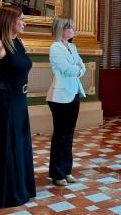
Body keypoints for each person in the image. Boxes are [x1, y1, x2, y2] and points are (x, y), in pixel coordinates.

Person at [0, 5, 36, 210]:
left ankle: (19, 187)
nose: (24, 22)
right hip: (3, 103)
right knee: (5, 147)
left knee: (18, 145)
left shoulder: (17, 42)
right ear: (10, 21)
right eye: (21, 19)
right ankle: (3, 194)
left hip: (19, 101)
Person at [46, 17, 86, 186]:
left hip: (74, 93)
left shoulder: (72, 47)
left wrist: (77, 68)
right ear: (61, 30)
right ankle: (57, 173)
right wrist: (77, 68)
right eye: (70, 28)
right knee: (60, 136)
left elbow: (82, 68)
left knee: (69, 136)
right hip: (60, 97)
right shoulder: (55, 48)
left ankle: (67, 170)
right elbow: (67, 69)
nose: (73, 30)